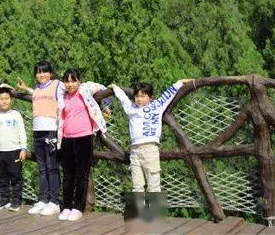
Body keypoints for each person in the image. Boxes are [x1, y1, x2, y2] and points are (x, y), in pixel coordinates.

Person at [108, 78, 193, 220]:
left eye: (143, 96)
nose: (139, 99)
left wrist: (180, 82)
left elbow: (168, 94)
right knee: (137, 185)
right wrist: (115, 88)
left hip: (150, 149)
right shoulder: (131, 108)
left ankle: (153, 215)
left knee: (153, 184)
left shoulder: (156, 106)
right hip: (135, 150)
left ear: (150, 97)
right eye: (137, 96)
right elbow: (123, 98)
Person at [57, 68, 109, 221]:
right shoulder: (63, 96)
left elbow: (104, 88)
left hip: (84, 137)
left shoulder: (85, 90)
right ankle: (67, 206)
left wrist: (105, 105)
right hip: (66, 138)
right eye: (67, 81)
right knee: (68, 175)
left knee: (82, 174)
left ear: (79, 81)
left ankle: (78, 207)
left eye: (73, 80)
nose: (70, 84)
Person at [17, 61, 63, 216]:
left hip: (51, 131)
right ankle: (43, 199)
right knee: (42, 168)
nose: (41, 75)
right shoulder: (37, 89)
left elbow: (74, 88)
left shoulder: (57, 85)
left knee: (52, 167)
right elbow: (38, 94)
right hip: (37, 131)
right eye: (38, 72)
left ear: (51, 73)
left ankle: (54, 202)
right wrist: (26, 89)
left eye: (44, 71)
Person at [0, 87, 27, 212]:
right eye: (1, 99)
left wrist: (23, 149)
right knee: (1, 177)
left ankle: (17, 200)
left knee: (16, 177)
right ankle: (4, 199)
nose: (4, 101)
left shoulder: (16, 115)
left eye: (7, 98)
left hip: (14, 150)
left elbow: (22, 132)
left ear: (11, 100)